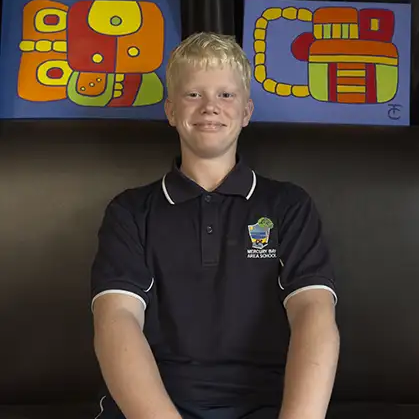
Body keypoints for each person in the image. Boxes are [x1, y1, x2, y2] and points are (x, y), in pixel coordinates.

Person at [90, 32, 340, 419]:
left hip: (269, 406)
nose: (210, 107)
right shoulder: (130, 212)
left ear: (246, 111)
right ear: (171, 111)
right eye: (194, 94)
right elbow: (115, 321)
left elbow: (314, 313)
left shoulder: (289, 205)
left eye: (226, 94)